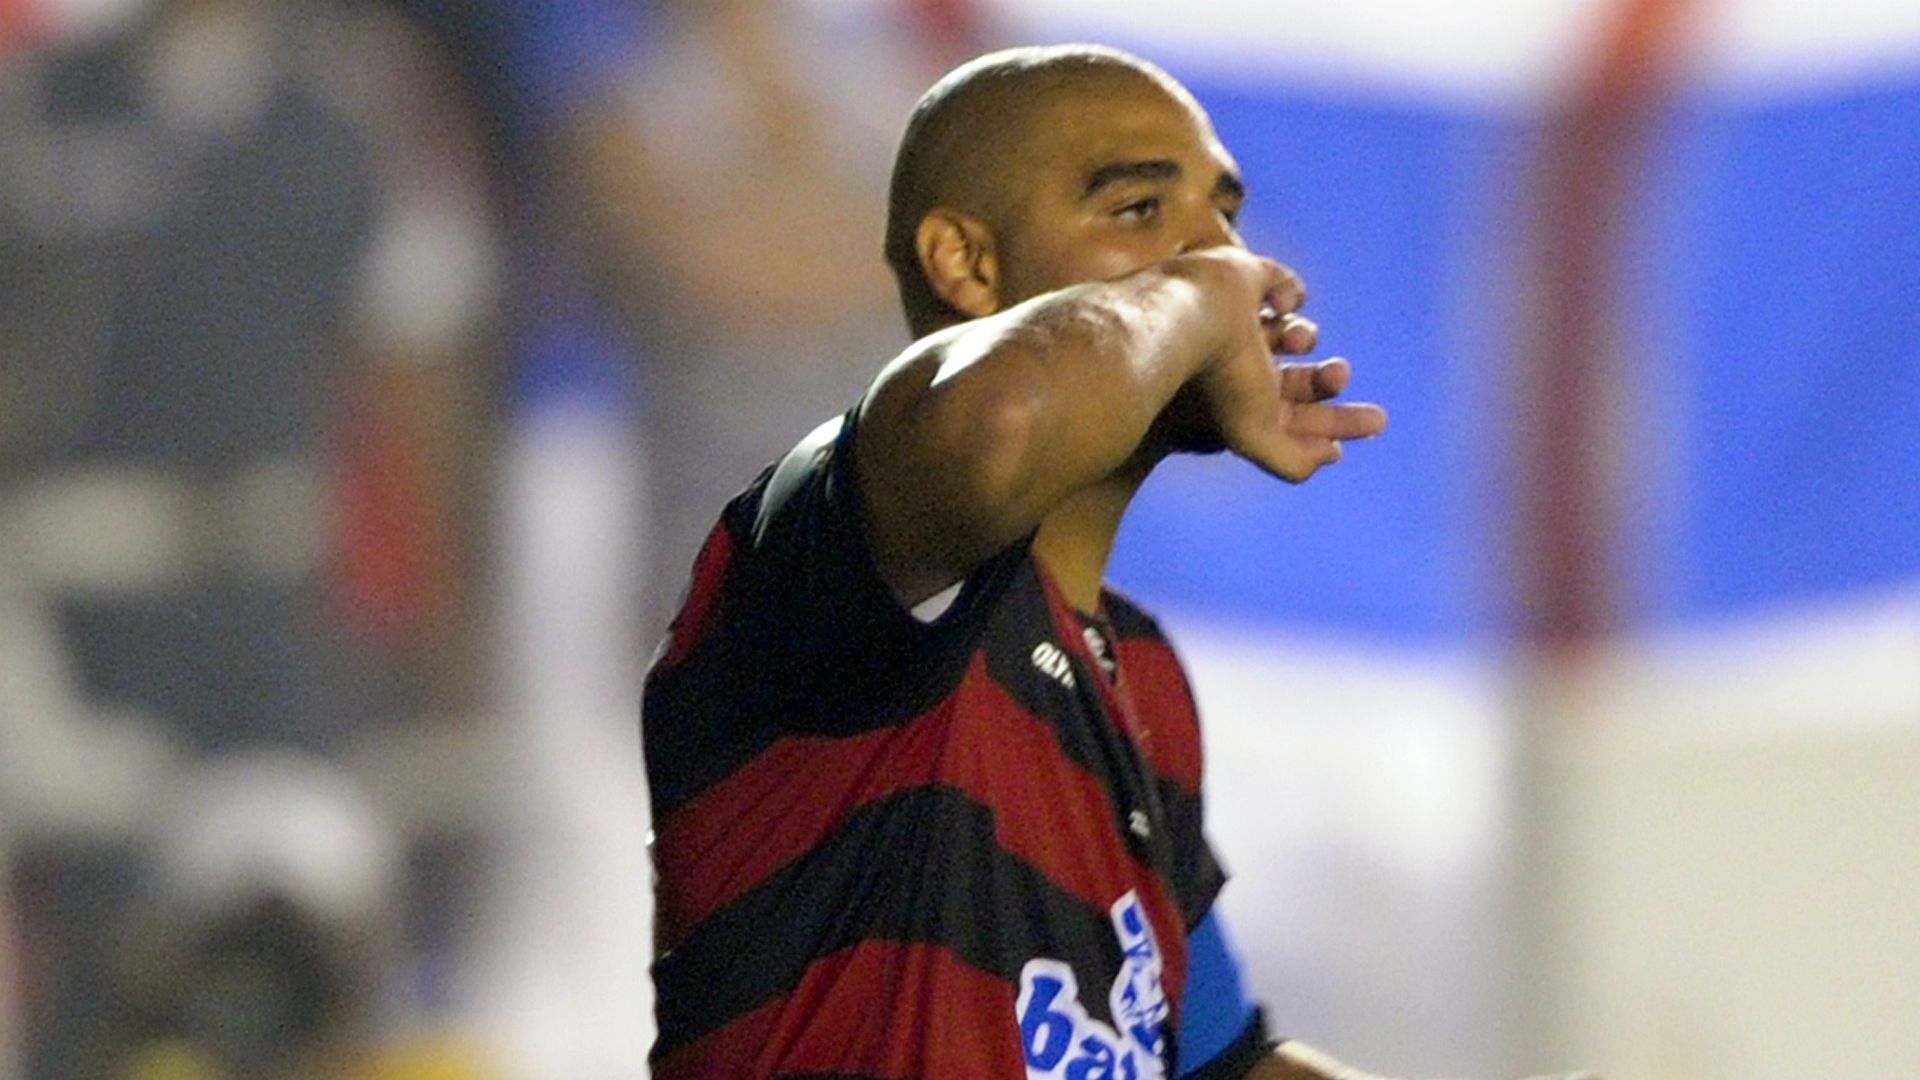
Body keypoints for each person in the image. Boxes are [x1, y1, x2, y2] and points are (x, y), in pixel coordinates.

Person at [642, 44, 1580, 1080]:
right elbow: (997, 425)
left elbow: (1222, 1067)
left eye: (1225, 219)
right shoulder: (826, 545)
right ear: (967, 264)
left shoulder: (1142, 674)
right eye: (1139, 210)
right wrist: (1201, 293)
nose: (1224, 259)